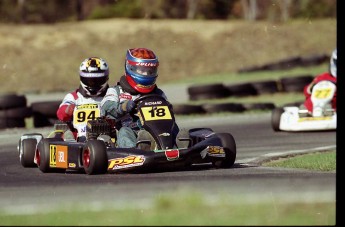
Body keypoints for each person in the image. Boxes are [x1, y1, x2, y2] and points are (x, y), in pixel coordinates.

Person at [100, 48, 188, 150]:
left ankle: (181, 147)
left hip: (156, 131)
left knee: (173, 126)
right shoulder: (116, 91)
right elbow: (106, 108)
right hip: (131, 131)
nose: (146, 74)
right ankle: (134, 151)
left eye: (150, 71)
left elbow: (167, 112)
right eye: (142, 70)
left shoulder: (158, 93)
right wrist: (124, 107)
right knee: (125, 131)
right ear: (130, 68)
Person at [50, 57, 110, 141]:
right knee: (65, 131)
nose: (92, 84)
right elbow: (61, 114)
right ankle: (69, 143)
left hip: (105, 134)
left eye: (97, 81)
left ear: (105, 78)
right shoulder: (74, 97)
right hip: (78, 137)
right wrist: (67, 110)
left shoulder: (110, 96)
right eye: (89, 81)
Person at [301, 48, 337, 115]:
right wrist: (311, 88)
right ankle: (306, 112)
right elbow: (306, 92)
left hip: (333, 103)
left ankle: (329, 111)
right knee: (310, 100)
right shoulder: (323, 76)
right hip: (316, 102)